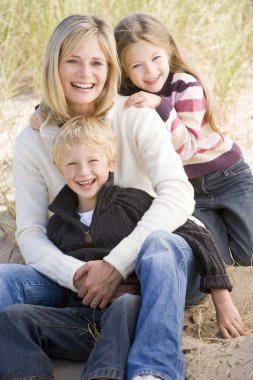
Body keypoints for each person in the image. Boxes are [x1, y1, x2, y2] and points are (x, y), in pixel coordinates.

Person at [0, 114, 244, 379]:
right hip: (82, 324)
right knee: (12, 316)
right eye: (72, 164)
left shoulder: (131, 202)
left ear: (111, 162)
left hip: (129, 318)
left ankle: (105, 374)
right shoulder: (58, 226)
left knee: (126, 304)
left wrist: (221, 297)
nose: (83, 172)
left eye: (93, 161)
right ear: (60, 169)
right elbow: (58, 285)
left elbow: (198, 235)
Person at [114, 12, 253, 267]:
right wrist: (43, 110)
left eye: (156, 58)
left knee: (249, 255)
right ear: (124, 69)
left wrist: (162, 106)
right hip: (190, 190)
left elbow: (187, 147)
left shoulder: (184, 85)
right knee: (217, 259)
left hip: (227, 176)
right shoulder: (131, 94)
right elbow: (92, 96)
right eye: (137, 65)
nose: (150, 71)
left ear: (168, 51)